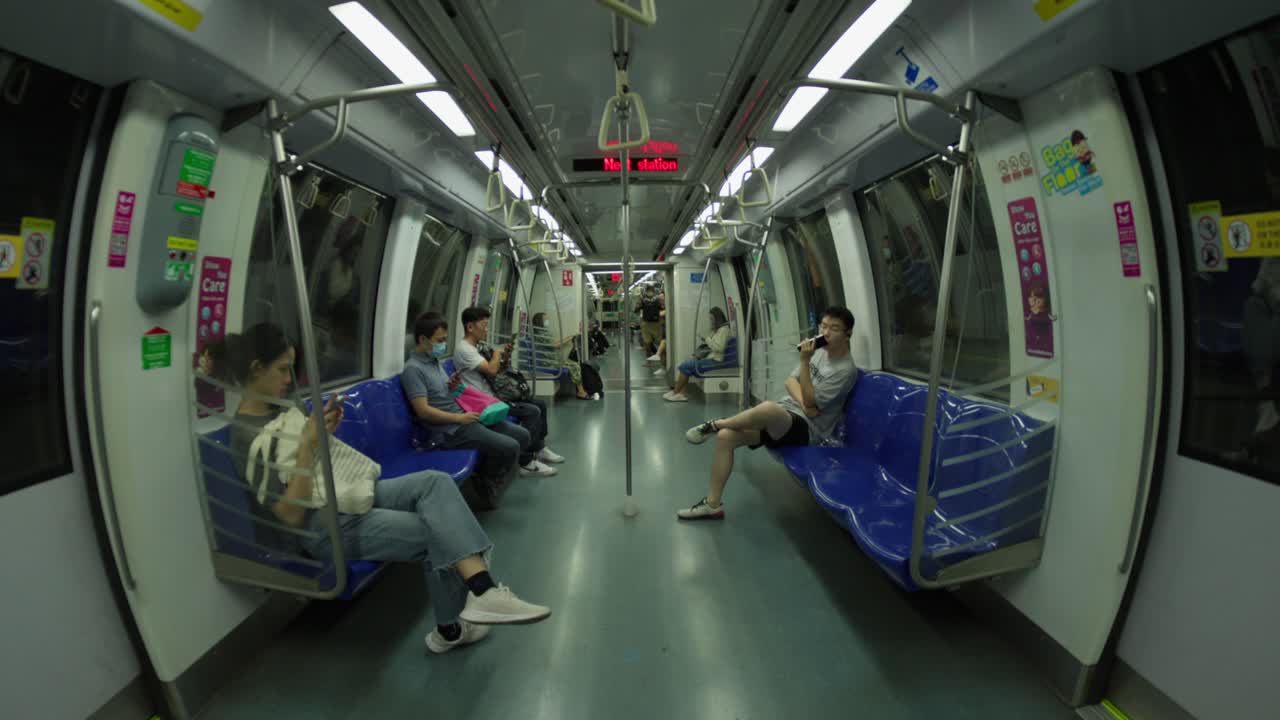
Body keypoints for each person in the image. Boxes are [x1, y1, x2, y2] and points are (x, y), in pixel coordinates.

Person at [205, 322, 550, 654]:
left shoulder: (285, 408)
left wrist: (323, 435)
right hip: (323, 525)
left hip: (345, 492)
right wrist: (310, 445)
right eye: (282, 370)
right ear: (256, 369)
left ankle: (482, 592)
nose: (288, 380)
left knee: (435, 482)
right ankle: (452, 628)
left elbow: (315, 462)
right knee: (438, 532)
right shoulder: (247, 436)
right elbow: (290, 514)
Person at [677, 306, 858, 520]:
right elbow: (790, 382)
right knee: (726, 438)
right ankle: (712, 504)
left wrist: (804, 363)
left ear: (847, 334)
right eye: (823, 326)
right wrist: (804, 403)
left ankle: (716, 424)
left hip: (809, 430)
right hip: (787, 417)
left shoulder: (845, 370)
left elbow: (811, 400)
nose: (825, 333)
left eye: (834, 329)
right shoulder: (818, 353)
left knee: (769, 408)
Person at [402, 312, 535, 486]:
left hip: (466, 415)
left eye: (445, 340)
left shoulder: (434, 362)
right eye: (439, 340)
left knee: (523, 436)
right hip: (450, 430)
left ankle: (486, 469)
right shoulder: (413, 369)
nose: (443, 344)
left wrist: (453, 386)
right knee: (511, 447)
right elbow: (423, 411)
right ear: (422, 339)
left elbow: (441, 394)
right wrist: (459, 418)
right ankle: (487, 480)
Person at [455, 306, 564, 475]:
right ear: (470, 327)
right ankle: (526, 461)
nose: (487, 330)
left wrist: (505, 356)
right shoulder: (465, 349)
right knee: (532, 411)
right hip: (483, 402)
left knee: (540, 404)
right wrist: (497, 354)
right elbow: (491, 370)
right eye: (484, 326)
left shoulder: (479, 346)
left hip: (494, 394)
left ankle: (539, 448)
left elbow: (498, 368)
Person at [663, 307, 733, 402]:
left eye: (712, 319)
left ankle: (676, 392)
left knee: (685, 366)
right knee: (686, 365)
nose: (711, 321)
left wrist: (707, 339)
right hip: (712, 358)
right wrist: (707, 339)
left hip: (717, 361)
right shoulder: (718, 330)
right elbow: (714, 344)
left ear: (717, 318)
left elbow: (719, 348)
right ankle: (681, 394)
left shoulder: (724, 330)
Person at [530, 312, 595, 400]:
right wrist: (568, 338)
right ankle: (581, 392)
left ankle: (581, 390)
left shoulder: (542, 332)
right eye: (545, 319)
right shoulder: (541, 334)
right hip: (548, 362)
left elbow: (553, 344)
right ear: (540, 321)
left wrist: (568, 338)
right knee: (574, 366)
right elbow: (555, 345)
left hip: (551, 360)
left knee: (574, 364)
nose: (547, 321)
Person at [638, 285, 664, 356]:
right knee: (660, 341)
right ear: (654, 291)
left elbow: (636, 309)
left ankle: (649, 358)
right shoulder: (658, 299)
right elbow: (662, 308)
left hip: (646, 323)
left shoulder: (642, 299)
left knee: (647, 342)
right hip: (657, 323)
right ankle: (661, 357)